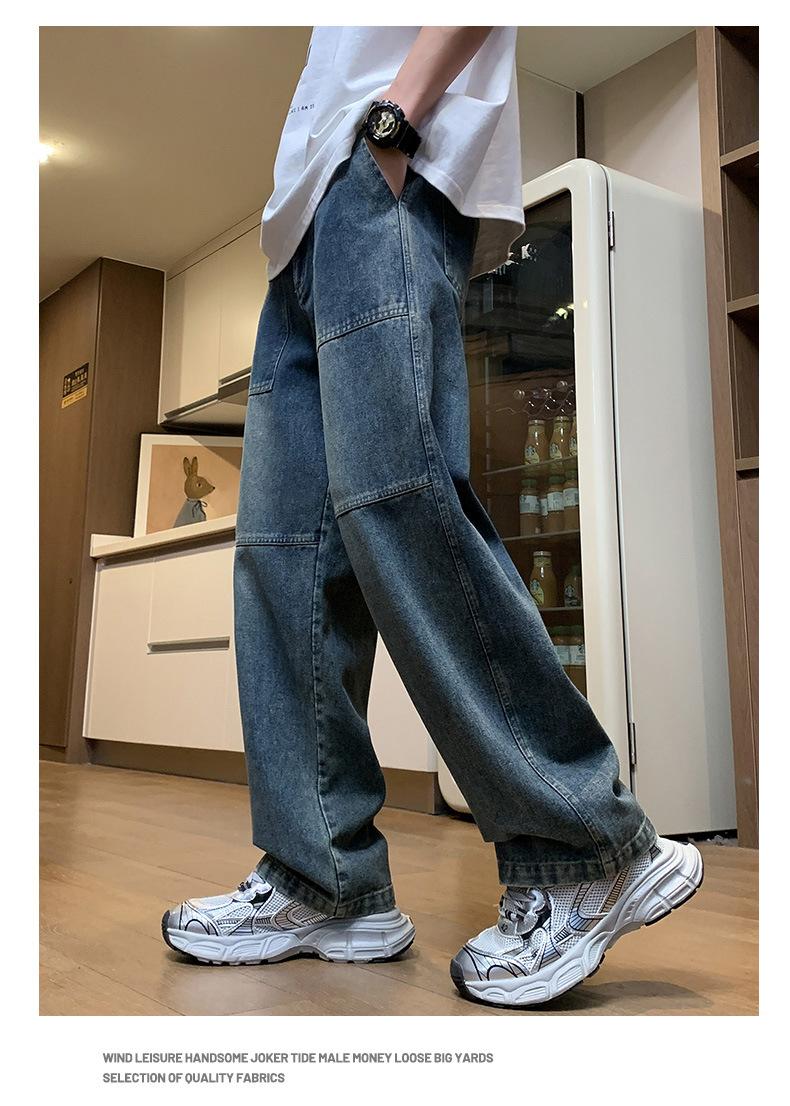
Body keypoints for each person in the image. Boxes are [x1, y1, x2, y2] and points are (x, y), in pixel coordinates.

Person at [161, 25, 703, 1008]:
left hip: (386, 173)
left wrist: (394, 120)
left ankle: (583, 845)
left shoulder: (390, 144)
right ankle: (323, 879)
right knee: (283, 552)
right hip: (307, 225)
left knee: (398, 506)